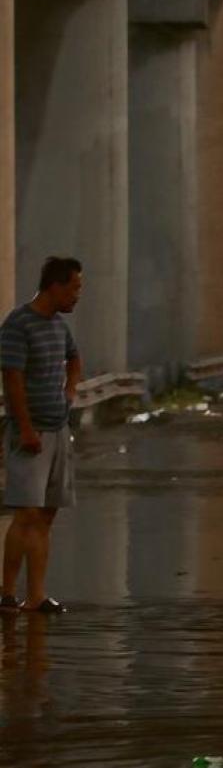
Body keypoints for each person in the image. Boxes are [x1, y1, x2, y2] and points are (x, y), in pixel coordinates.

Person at [2, 258, 84, 613]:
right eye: (74, 288)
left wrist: (69, 395)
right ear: (55, 285)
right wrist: (24, 428)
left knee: (47, 515)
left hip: (57, 428)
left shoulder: (59, 327)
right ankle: (6, 592)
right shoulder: (19, 324)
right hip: (30, 432)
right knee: (27, 514)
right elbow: (12, 379)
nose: (78, 296)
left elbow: (75, 360)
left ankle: (36, 596)